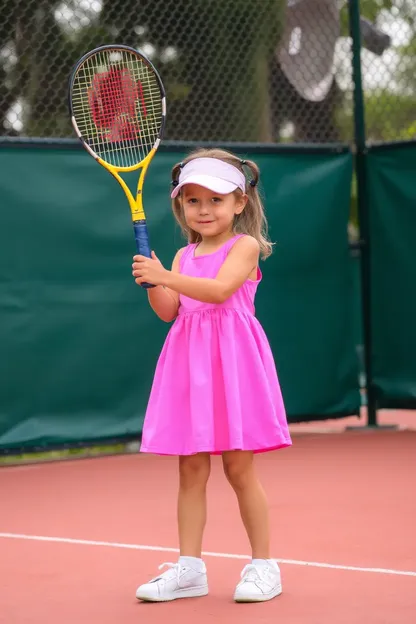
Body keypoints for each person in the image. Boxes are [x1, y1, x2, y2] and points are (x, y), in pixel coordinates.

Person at [131, 148, 292, 603]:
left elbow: (221, 291)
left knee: (240, 469)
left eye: (216, 200)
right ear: (181, 206)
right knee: (190, 470)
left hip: (233, 365)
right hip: (190, 365)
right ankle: (189, 570)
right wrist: (154, 282)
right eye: (193, 201)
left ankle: (264, 566)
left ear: (239, 203)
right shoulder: (182, 256)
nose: (204, 210)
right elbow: (170, 312)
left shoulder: (245, 246)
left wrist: (167, 274)